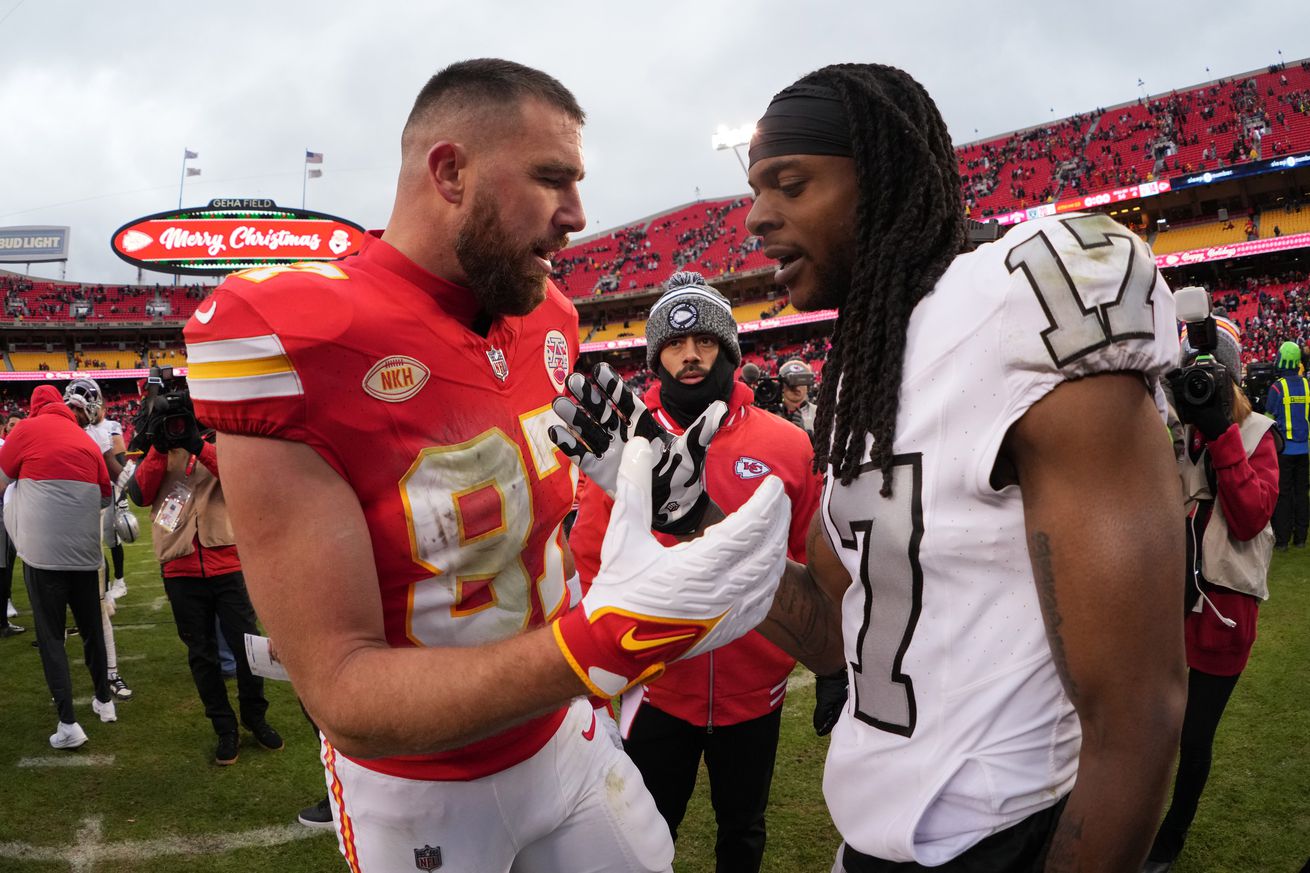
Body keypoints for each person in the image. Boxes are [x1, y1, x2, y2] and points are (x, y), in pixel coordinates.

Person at [184, 58, 789, 873]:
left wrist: (656, 502)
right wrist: (598, 644)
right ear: (451, 171)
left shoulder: (550, 316)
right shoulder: (292, 334)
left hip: (563, 735)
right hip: (419, 784)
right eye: (552, 178)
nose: (577, 215)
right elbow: (343, 690)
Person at [744, 65, 1187, 870]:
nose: (756, 217)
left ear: (879, 179)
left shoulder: (1017, 303)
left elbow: (1137, 710)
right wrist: (694, 540)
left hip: (1005, 835)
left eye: (789, 183)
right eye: (755, 189)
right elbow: (839, 642)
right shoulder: (863, 372)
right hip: (871, 841)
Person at [568, 272, 822, 873]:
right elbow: (589, 556)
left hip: (756, 688)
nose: (689, 355)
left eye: (704, 342)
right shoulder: (627, 441)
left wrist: (824, 656)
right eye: (675, 345)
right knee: (645, 834)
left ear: (729, 352)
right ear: (655, 355)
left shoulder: (787, 444)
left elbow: (809, 557)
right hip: (655, 685)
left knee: (743, 831)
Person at [1145, 317, 1278, 872]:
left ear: (1232, 379)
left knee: (1194, 740)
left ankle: (1171, 838)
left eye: (1210, 375)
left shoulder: (1258, 433)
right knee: (1151, 732)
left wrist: (1222, 431)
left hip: (1222, 617)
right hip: (1166, 611)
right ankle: (1136, 825)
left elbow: (1248, 520)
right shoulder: (1172, 431)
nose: (1199, 384)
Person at [125, 373, 283, 766]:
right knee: (202, 655)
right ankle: (224, 728)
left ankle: (255, 717)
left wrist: (197, 442)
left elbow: (241, 481)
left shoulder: (220, 443)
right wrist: (160, 447)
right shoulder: (158, 448)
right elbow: (141, 495)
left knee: (248, 647)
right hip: (180, 567)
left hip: (226, 561)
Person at [0, 385, 116, 748]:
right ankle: (105, 700)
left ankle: (68, 724)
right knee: (92, 629)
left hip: (42, 555)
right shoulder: (87, 442)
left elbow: (2, 483)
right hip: (84, 554)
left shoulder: (26, 430)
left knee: (51, 636)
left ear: (35, 408)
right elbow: (104, 494)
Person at [65, 379, 133, 701]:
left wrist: (132, 485)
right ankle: (63, 683)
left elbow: (112, 469)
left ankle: (111, 673)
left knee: (98, 608)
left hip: (85, 534)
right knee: (59, 614)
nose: (79, 413)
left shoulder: (98, 433)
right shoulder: (54, 430)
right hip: (60, 534)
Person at [1264, 341, 1308, 548]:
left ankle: (1282, 540)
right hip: (1304, 449)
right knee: (1301, 493)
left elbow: (1267, 417)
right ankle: (1300, 538)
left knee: (1283, 494)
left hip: (1284, 450)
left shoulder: (1277, 387)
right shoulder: (1307, 385)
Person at [778, 358, 818, 435]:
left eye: (801, 380)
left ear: (808, 386)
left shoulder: (819, 413)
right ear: (782, 386)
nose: (796, 386)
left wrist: (807, 435)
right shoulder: (771, 412)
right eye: (790, 381)